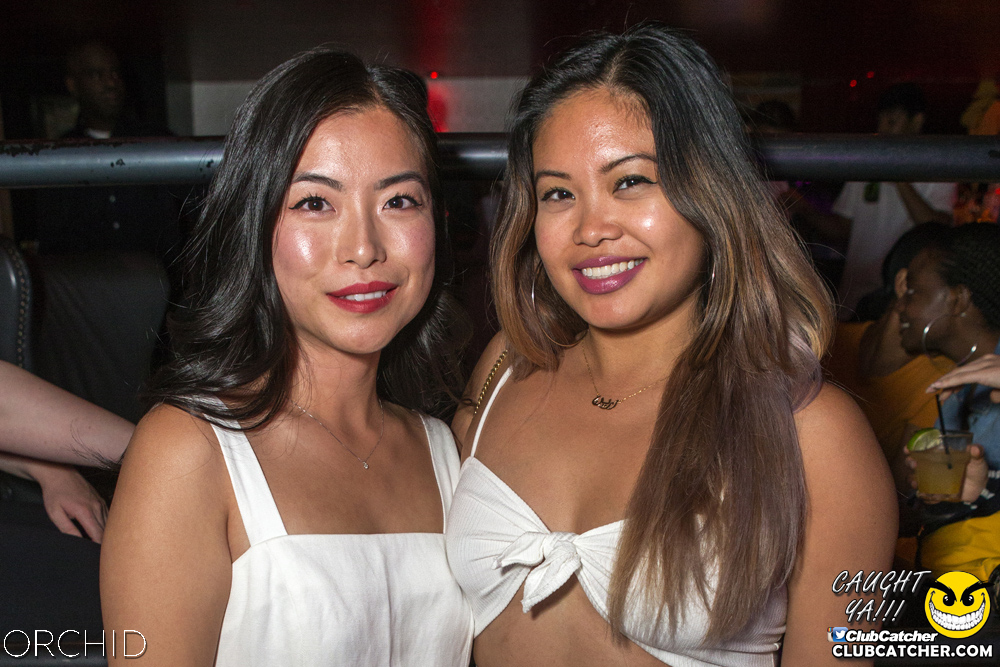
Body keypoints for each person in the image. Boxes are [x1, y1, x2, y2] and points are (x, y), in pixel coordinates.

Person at [447, 24, 896, 667]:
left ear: (711, 193)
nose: (591, 229)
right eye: (559, 193)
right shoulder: (506, 366)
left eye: (631, 181)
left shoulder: (815, 435)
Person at [101, 48, 473, 665]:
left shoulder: (447, 451)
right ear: (255, 223)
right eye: (315, 203)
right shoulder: (188, 451)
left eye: (399, 201)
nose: (363, 248)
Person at [784, 83, 955, 318]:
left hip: (900, 302)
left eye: (892, 122)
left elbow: (938, 230)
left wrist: (898, 178)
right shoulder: (867, 162)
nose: (882, 129)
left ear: (916, 121)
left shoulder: (939, 167)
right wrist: (805, 209)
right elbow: (843, 229)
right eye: (880, 121)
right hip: (854, 298)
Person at [896, 223, 1000, 581]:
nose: (899, 307)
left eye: (912, 292)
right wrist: (939, 498)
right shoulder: (954, 390)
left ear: (957, 300)